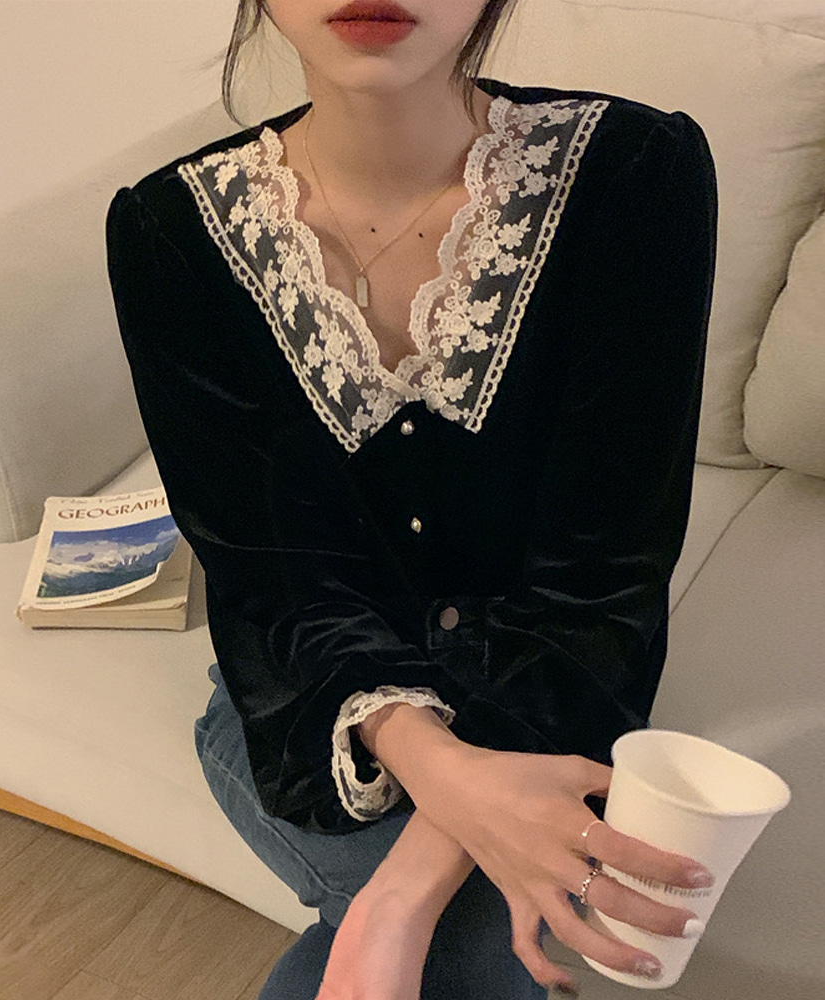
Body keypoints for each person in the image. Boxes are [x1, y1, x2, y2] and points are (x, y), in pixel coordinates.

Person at [106, 1, 718, 996]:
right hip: (315, 710)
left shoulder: (633, 173)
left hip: (558, 690)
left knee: (458, 953)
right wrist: (442, 782)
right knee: (477, 956)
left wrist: (403, 893)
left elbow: (602, 577)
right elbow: (277, 585)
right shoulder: (169, 231)